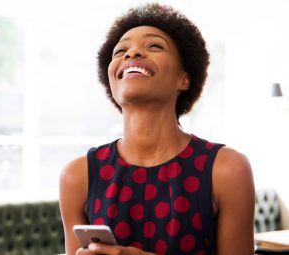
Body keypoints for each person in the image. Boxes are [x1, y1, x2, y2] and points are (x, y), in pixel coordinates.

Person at [59, 3, 255, 255]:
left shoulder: (227, 169)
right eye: (120, 50)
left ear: (184, 78)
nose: (131, 54)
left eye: (154, 46)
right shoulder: (78, 176)